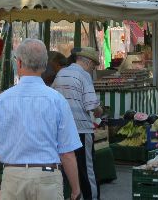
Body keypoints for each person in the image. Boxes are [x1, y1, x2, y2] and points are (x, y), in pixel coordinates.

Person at [0, 39, 82, 200]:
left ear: (19, 63)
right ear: (44, 65)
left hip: (13, 177)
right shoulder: (57, 100)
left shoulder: (2, 100)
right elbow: (67, 153)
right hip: (47, 176)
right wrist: (76, 190)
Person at [53, 47, 104, 200]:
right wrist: (99, 111)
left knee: (66, 169)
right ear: (87, 62)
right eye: (93, 66)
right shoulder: (84, 75)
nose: (92, 70)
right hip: (81, 130)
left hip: (62, 130)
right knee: (86, 169)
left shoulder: (61, 73)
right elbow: (91, 105)